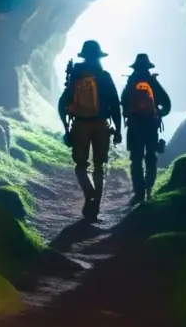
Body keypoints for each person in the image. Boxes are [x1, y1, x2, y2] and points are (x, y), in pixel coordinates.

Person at [59, 40, 122, 220]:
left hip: (80, 125)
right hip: (102, 125)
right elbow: (115, 106)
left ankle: (89, 194)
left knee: (80, 165)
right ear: (99, 57)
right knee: (99, 166)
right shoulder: (105, 76)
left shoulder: (75, 76)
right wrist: (118, 131)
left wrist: (66, 128)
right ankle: (96, 206)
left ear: (84, 56)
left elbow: (63, 103)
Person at [121, 53, 171, 204]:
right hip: (151, 126)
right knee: (151, 157)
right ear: (148, 67)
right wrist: (158, 113)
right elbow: (167, 104)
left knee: (135, 160)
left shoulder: (131, 82)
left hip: (135, 127)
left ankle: (138, 193)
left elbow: (123, 102)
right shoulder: (153, 82)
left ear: (135, 67)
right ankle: (149, 189)